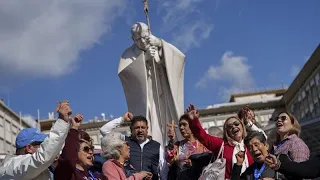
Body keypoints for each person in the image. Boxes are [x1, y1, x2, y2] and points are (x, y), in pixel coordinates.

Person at [118, 22, 185, 147]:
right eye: (138, 39)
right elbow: (125, 74)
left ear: (149, 32)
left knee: (170, 122)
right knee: (153, 124)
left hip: (165, 93)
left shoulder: (159, 43)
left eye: (144, 37)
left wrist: (160, 45)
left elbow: (179, 58)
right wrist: (144, 60)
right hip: (148, 98)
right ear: (133, 39)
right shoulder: (128, 55)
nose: (142, 42)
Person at [0, 101, 72, 180]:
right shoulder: (15, 166)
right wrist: (62, 122)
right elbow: (43, 157)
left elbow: (53, 149)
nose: (45, 147)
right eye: (43, 145)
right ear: (29, 148)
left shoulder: (35, 168)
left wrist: (69, 126)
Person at [186, 104, 254, 179]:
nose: (234, 127)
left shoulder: (250, 145)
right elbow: (203, 136)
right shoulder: (222, 144)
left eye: (236, 124)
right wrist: (194, 121)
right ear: (227, 131)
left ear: (242, 126)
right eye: (229, 126)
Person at [100, 113, 168, 180]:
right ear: (131, 129)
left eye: (143, 127)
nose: (140, 130)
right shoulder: (124, 143)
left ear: (147, 129)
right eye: (137, 128)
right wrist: (122, 119)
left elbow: (163, 170)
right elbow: (104, 130)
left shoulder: (156, 146)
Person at [54, 114, 106, 180]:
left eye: (92, 149)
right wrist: (74, 128)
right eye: (86, 149)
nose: (90, 152)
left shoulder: (98, 176)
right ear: (75, 151)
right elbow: (68, 158)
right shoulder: (67, 173)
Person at [166, 114, 210, 180]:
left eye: (184, 124)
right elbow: (169, 159)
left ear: (192, 126)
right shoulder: (178, 145)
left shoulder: (204, 144)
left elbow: (210, 162)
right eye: (180, 125)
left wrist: (195, 164)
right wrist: (172, 140)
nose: (181, 127)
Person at [271, 111, 309, 179]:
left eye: (283, 118)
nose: (279, 120)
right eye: (277, 119)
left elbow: (300, 172)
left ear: (292, 124)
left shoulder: (296, 143)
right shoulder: (275, 146)